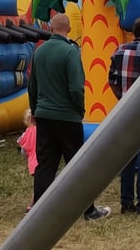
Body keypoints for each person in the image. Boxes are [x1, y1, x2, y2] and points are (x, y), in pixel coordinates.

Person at [29, 12, 110, 220]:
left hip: (44, 114)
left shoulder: (39, 51)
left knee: (45, 164)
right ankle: (88, 210)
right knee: (76, 165)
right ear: (69, 29)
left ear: (50, 28)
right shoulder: (70, 52)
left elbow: (32, 86)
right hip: (67, 116)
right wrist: (79, 110)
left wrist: (35, 111)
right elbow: (76, 88)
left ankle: (39, 213)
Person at [108, 16, 140, 216]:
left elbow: (112, 80)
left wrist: (122, 98)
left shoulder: (119, 50)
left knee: (127, 157)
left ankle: (126, 202)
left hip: (126, 111)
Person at [17, 108, 37, 212]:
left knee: (39, 183)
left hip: (32, 164)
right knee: (40, 185)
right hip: (41, 162)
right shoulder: (40, 131)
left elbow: (23, 152)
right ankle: (31, 206)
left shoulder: (26, 134)